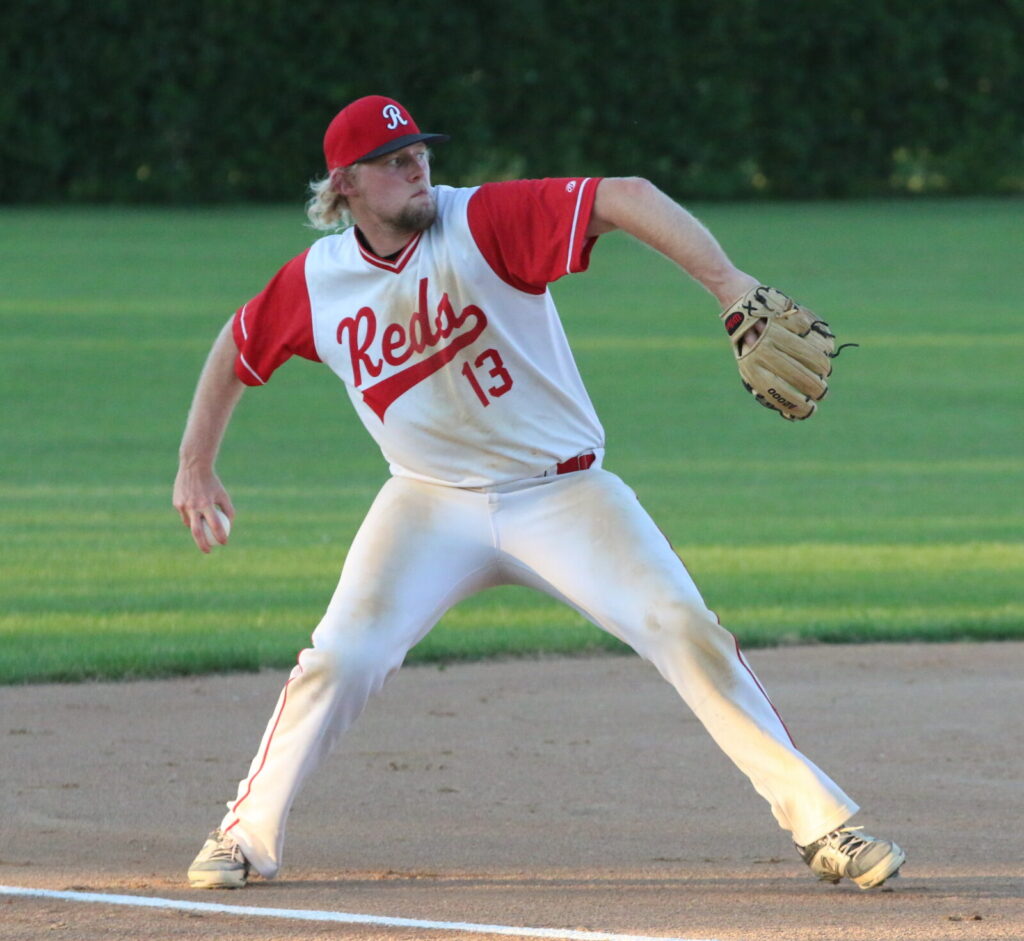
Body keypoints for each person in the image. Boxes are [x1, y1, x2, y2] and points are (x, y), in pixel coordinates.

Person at [174, 95, 905, 892]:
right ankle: (242, 836)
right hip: (426, 505)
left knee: (681, 624)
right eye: (393, 160)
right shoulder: (317, 283)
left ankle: (825, 825)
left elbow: (621, 194)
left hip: (564, 495)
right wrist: (195, 464)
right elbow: (235, 345)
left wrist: (728, 284)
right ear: (345, 184)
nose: (417, 166)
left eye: (419, 152)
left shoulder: (483, 221)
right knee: (340, 657)